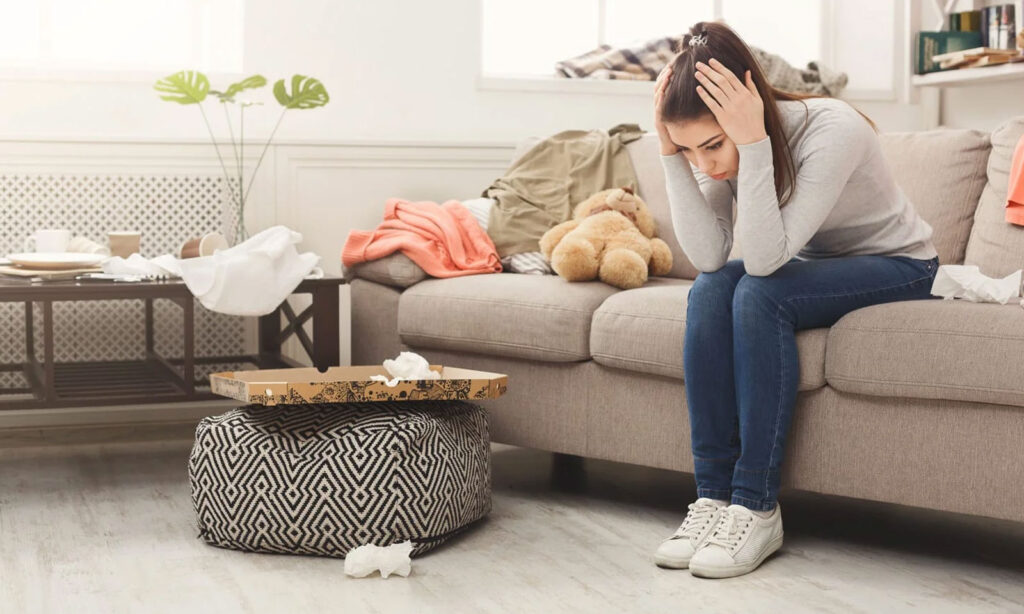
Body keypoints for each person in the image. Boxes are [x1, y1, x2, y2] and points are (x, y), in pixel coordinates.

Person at [651, 21, 941, 579]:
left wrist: (753, 143)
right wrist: (669, 154)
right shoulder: (713, 152)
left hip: (901, 265)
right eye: (689, 150)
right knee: (710, 289)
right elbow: (710, 256)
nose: (706, 165)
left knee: (759, 295)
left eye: (712, 146)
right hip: (811, 266)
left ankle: (756, 505)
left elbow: (764, 263)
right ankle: (713, 497)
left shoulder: (833, 127)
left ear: (749, 106)